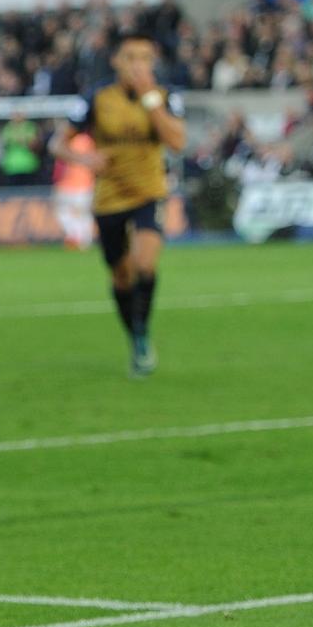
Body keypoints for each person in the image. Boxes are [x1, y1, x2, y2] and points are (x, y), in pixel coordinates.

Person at [52, 30, 186, 377]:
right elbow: (58, 143)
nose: (137, 65)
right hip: (110, 197)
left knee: (146, 265)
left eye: (144, 58)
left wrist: (149, 99)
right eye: (131, 57)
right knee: (122, 275)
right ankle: (136, 335)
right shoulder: (97, 98)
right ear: (116, 61)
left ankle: (142, 336)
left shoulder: (165, 96)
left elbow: (177, 141)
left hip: (149, 192)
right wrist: (87, 161)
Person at [53, 130, 96, 249]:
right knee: (77, 214)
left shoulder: (65, 141)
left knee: (74, 213)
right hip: (76, 184)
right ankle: (80, 239)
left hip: (77, 184)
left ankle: (78, 239)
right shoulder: (89, 141)